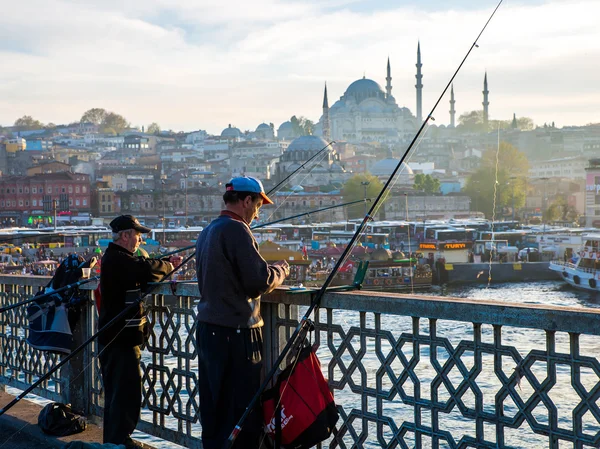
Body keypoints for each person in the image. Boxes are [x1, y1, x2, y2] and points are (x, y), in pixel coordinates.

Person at [195, 176, 290, 449]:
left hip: (208, 330)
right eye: (258, 204)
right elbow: (257, 281)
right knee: (241, 413)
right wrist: (281, 271)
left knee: (215, 411)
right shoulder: (237, 230)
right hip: (236, 335)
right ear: (246, 201)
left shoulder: (208, 230)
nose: (258, 211)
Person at [98, 215, 174, 448]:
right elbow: (146, 271)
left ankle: (115, 439)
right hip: (119, 339)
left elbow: (142, 270)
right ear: (125, 236)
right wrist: (169, 265)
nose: (140, 239)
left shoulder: (117, 258)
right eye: (137, 234)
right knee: (125, 392)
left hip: (116, 337)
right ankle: (119, 440)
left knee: (118, 392)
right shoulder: (117, 260)